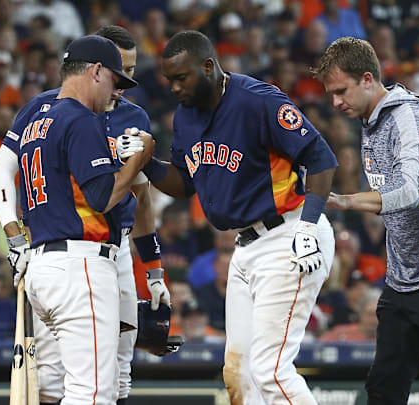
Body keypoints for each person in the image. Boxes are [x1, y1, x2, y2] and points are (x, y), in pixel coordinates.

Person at [118, 30, 338, 405]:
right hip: (245, 247)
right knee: (239, 373)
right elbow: (185, 183)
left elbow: (321, 158)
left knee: (270, 371)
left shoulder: (258, 101)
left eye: (181, 77)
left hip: (289, 233)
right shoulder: (186, 117)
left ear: (208, 67)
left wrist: (307, 227)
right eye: (169, 80)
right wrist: (145, 162)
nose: (174, 88)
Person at [0, 29, 166, 405]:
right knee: (91, 392)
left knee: (67, 385)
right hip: (79, 262)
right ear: (96, 71)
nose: (118, 91)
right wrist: (138, 159)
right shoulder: (79, 118)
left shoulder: (41, 118)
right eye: (117, 79)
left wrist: (153, 269)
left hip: (45, 259)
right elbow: (103, 198)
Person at [312, 37, 419, 404]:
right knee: (384, 388)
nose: (335, 102)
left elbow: (408, 192)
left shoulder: (410, 116)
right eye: (330, 93)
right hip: (404, 276)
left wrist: (344, 200)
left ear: (368, 79)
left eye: (341, 91)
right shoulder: (368, 119)